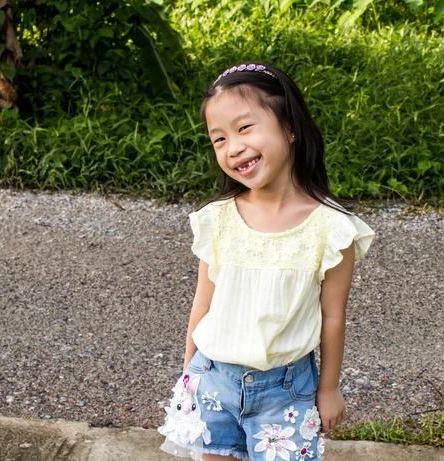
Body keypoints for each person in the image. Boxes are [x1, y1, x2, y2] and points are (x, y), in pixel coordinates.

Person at [158, 62, 375, 461]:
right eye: (218, 138)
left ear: (290, 128)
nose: (233, 147)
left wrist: (328, 389)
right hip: (212, 381)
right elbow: (203, 304)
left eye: (244, 128)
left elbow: (332, 317)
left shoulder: (331, 229)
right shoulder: (218, 219)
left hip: (286, 391)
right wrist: (188, 376)